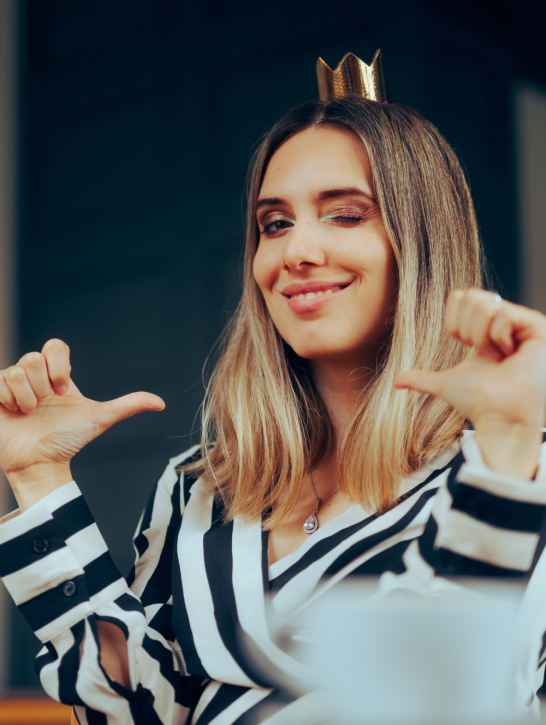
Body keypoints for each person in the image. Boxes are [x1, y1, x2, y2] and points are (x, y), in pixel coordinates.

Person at [1, 52, 546, 725]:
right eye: (275, 223)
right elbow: (134, 712)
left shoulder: (520, 471)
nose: (295, 252)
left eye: (345, 215)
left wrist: (507, 457)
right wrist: (38, 480)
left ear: (421, 242)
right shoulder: (198, 489)